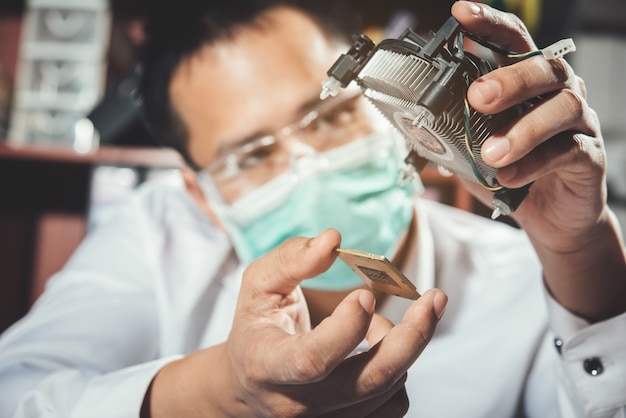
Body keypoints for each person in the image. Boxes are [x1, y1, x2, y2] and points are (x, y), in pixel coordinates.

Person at [1, 1, 625, 417]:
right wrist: (225, 391)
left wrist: (582, 248)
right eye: (250, 156)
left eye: (328, 116)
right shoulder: (157, 236)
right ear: (202, 196)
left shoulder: (530, 276)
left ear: (387, 98)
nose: (308, 164)